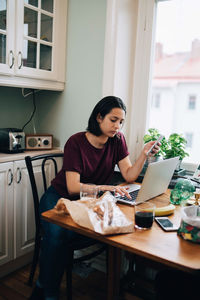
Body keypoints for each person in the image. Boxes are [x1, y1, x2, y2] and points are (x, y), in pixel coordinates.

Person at [29, 96, 159, 300]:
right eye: (113, 119)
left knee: (63, 237)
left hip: (87, 202)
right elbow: (72, 188)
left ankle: (42, 286)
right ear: (99, 117)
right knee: (57, 236)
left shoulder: (117, 141)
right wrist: (107, 188)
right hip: (59, 197)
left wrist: (143, 154)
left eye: (121, 122)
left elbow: (129, 175)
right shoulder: (76, 142)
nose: (117, 126)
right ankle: (46, 291)